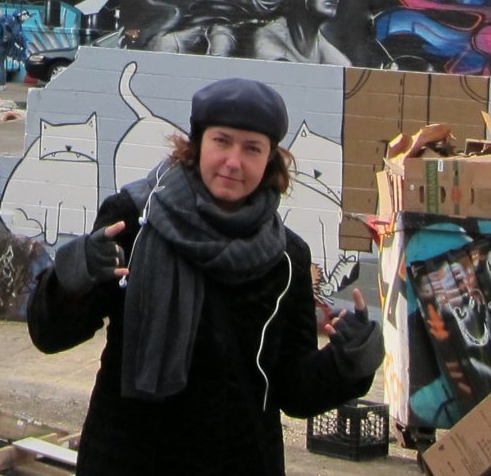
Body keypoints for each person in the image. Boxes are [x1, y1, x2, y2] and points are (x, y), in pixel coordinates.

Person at [28, 78, 382, 475]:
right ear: (197, 145)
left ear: (271, 160)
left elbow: (294, 391)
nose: (233, 161)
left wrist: (349, 362)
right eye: (222, 141)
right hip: (129, 459)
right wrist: (73, 277)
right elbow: (49, 335)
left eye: (252, 148)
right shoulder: (132, 222)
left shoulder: (287, 258)